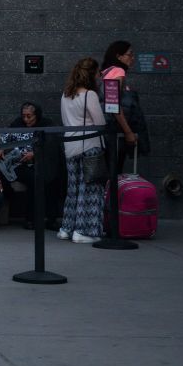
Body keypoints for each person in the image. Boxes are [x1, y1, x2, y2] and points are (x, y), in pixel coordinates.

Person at [0, 102, 64, 231]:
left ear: (37, 115)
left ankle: (49, 218)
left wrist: (35, 154)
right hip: (19, 164)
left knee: (49, 179)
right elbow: (5, 136)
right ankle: (31, 219)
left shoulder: (46, 125)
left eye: (29, 116)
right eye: (24, 116)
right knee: (32, 178)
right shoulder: (17, 124)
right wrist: (1, 147)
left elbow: (52, 146)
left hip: (42, 163)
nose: (26, 119)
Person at [59, 58, 107, 243]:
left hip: (70, 146)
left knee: (73, 188)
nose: (99, 76)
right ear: (92, 74)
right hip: (89, 146)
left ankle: (67, 228)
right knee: (90, 189)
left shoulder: (65, 95)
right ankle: (84, 231)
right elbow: (100, 122)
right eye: (98, 73)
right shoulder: (90, 95)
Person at [100, 40, 144, 173]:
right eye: (130, 55)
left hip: (106, 130)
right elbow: (112, 104)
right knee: (114, 171)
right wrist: (128, 132)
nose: (133, 58)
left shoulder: (105, 72)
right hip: (114, 131)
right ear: (119, 57)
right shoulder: (118, 71)